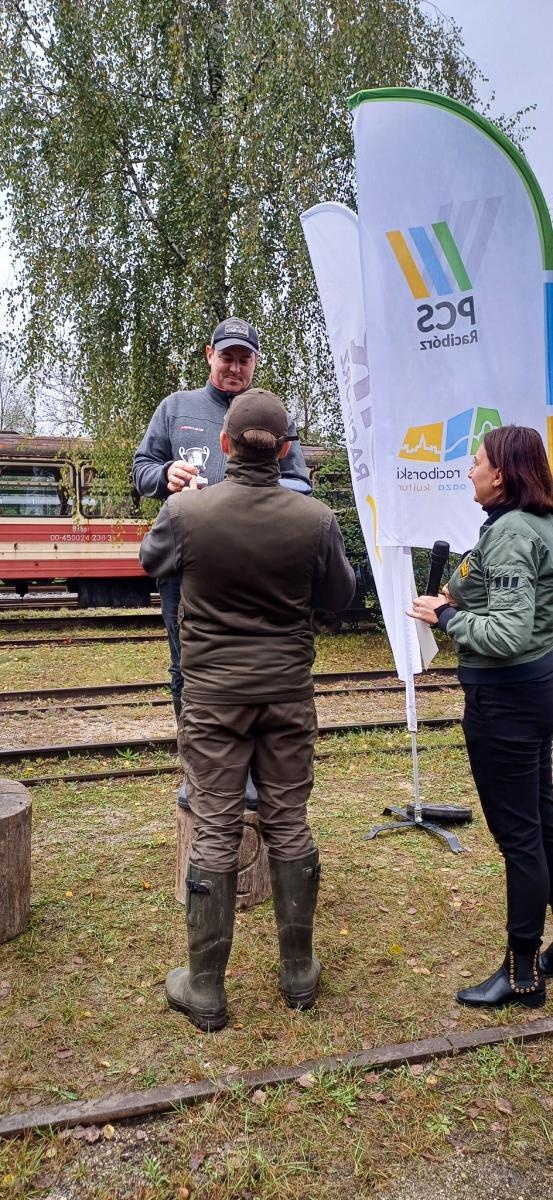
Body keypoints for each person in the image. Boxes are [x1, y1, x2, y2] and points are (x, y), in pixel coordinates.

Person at [139, 388, 356, 1032]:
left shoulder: (186, 512)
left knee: (215, 827)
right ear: (287, 450)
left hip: (211, 701)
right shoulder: (313, 519)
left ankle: (205, 988)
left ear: (226, 445)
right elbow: (341, 595)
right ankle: (298, 973)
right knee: (289, 821)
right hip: (287, 693)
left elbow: (151, 562)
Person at [409, 425, 553, 1009]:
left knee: (520, 837)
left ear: (503, 474)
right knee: (541, 821)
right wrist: (454, 593)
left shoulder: (516, 532)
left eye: (478, 462)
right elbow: (483, 582)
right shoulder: (526, 524)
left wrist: (448, 622)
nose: (469, 470)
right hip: (533, 691)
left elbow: (510, 631)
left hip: (507, 700)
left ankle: (522, 973)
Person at [132, 317, 311, 735]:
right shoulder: (175, 408)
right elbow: (141, 470)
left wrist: (245, 494)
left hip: (256, 564)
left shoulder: (273, 412)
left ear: (255, 362)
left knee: (253, 665)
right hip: (187, 563)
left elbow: (301, 483)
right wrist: (164, 475)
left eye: (243, 359)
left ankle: (244, 761)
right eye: (226, 357)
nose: (234, 367)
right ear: (209, 356)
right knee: (185, 665)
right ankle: (198, 763)